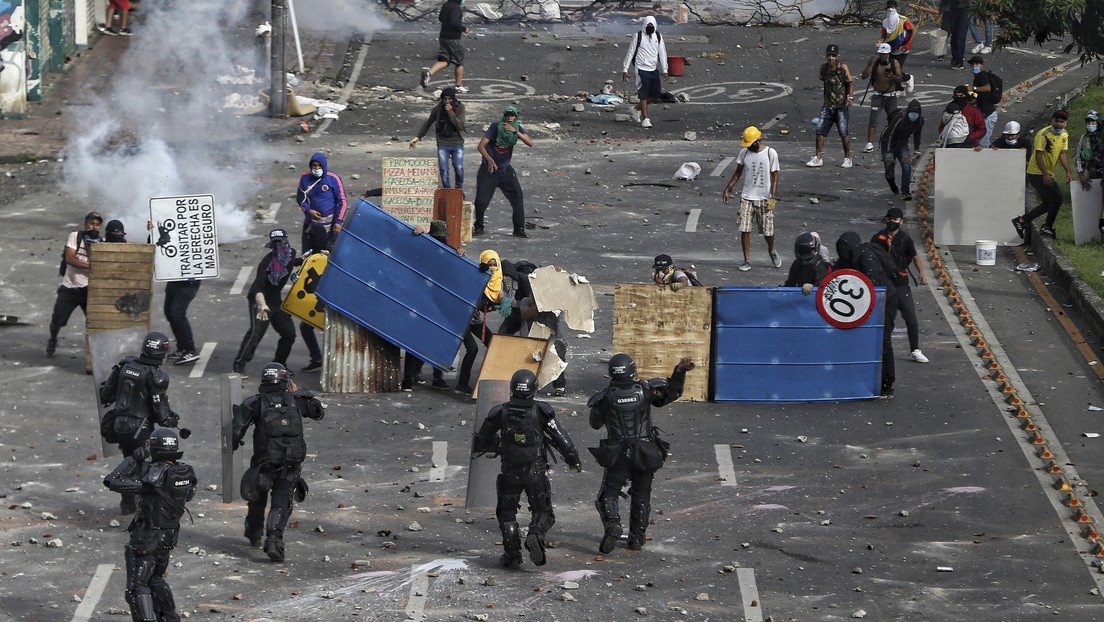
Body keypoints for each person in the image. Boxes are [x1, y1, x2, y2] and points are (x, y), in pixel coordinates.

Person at [473, 369, 582, 568]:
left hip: (509, 471)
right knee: (544, 512)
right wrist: (573, 460)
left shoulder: (500, 412)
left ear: (512, 388)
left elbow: (481, 441)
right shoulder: (541, 411)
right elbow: (561, 439)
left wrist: (497, 444)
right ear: (534, 389)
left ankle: (512, 555)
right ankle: (535, 534)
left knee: (506, 514)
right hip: (535, 471)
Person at [589, 354, 694, 552]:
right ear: (632, 370)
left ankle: (613, 524)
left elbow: (594, 424)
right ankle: (636, 538)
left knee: (608, 495)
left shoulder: (605, 397)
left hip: (618, 453)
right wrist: (679, 372)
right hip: (646, 452)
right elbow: (671, 393)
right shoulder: (646, 390)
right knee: (642, 495)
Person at [233, 362, 325, 562]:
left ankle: (254, 533)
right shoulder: (297, 401)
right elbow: (319, 412)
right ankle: (274, 540)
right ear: (286, 380)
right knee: (281, 502)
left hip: (263, 462)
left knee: (257, 499)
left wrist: (234, 443)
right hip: (290, 462)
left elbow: (236, 431)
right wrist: (298, 391)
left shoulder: (255, 403)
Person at [103, 428, 197, 622]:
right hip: (169, 535)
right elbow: (189, 494)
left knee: (137, 588)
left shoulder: (153, 476)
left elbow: (112, 481)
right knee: (155, 579)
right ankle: (170, 618)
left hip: (148, 537)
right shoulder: (185, 473)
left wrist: (133, 459)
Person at [99, 331, 184, 514]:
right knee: (148, 468)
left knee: (128, 462)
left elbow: (105, 394)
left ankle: (127, 503)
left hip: (118, 425)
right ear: (162, 352)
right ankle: (144, 508)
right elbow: (162, 414)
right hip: (140, 428)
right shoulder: (156, 376)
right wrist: (173, 419)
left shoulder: (125, 365)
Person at [834, 232, 898, 398]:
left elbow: (873, 283)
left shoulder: (866, 257)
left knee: (883, 341)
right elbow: (833, 279)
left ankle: (887, 383)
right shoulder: (847, 260)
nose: (843, 253)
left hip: (884, 302)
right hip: (863, 304)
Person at [233, 229, 298, 376]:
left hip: (276, 300)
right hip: (260, 300)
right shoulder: (266, 263)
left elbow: (294, 262)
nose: (280, 245)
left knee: (289, 333)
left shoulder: (290, 254)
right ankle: (239, 364)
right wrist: (262, 305)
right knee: (256, 333)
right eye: (276, 243)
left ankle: (280, 364)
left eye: (282, 241)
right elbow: (258, 288)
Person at [402, 220, 458, 391]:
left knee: (417, 341)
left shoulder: (424, 246)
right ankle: (433, 377)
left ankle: (409, 379)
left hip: (422, 302)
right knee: (435, 341)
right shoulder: (444, 250)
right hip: (434, 304)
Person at [872, 207, 930, 364]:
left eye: (895, 219)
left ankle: (915, 349)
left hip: (901, 284)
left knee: (911, 318)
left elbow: (915, 257)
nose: (892, 222)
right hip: (885, 284)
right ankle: (882, 349)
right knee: (887, 320)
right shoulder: (878, 238)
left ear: (901, 221)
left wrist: (921, 273)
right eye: (889, 219)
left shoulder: (905, 239)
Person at [722, 126, 781, 272]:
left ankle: (772, 250)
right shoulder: (744, 153)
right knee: (745, 229)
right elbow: (738, 173)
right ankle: (746, 260)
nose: (749, 146)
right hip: (747, 197)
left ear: (758, 141)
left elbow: (775, 176)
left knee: (768, 231)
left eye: (751, 144)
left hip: (764, 198)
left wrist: (772, 198)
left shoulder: (770, 153)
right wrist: (728, 188)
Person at [474, 105, 534, 238]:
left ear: (516, 117)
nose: (509, 118)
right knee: (481, 200)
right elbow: (481, 146)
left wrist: (515, 132)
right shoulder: (495, 127)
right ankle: (479, 226)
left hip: (505, 169)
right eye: (507, 115)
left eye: (512, 115)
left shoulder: (516, 128)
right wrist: (489, 159)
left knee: (517, 197)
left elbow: (530, 143)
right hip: (489, 170)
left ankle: (519, 228)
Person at [47, 211, 102, 357]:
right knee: (57, 321)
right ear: (85, 224)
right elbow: (70, 259)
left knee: (93, 323)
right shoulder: (75, 237)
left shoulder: (102, 243)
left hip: (88, 290)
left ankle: (92, 353)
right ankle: (52, 339)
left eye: (97, 224)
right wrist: (91, 267)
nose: (94, 227)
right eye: (91, 223)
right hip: (70, 287)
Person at [1013, 110, 1073, 241]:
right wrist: (1045, 174)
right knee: (1057, 199)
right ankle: (1048, 226)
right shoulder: (1043, 134)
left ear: (1066, 123)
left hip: (1047, 172)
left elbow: (1063, 153)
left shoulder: (1064, 135)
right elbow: (1039, 155)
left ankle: (1021, 221)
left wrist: (1068, 171)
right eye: (1056, 121)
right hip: (1037, 172)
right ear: (1052, 120)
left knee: (1048, 203)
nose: (1058, 124)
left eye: (1061, 122)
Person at [455, 249, 505, 394]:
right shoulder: (476, 275)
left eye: (494, 264)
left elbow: (499, 295)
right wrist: (461, 255)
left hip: (474, 319)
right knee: (472, 349)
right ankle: (461, 385)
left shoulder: (498, 281)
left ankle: (495, 379)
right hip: (462, 318)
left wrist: (501, 301)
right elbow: (462, 270)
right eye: (488, 264)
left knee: (492, 343)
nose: (492, 268)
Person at [807, 43, 854, 169]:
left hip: (841, 106)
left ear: (837, 56)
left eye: (833, 55)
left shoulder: (842, 68)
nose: (831, 58)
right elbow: (823, 78)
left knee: (843, 133)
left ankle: (848, 157)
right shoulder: (823, 68)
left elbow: (849, 83)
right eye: (829, 55)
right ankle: (818, 157)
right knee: (820, 132)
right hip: (828, 106)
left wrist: (850, 97)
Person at [409, 86, 466, 189]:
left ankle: (459, 189)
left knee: (459, 168)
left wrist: (451, 113)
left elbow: (460, 126)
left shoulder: (460, 108)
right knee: (444, 170)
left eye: (450, 99)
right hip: (443, 142)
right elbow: (428, 123)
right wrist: (418, 137)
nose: (447, 101)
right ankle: (447, 191)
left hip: (456, 142)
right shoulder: (437, 109)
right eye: (445, 99)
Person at [621, 16, 668, 129]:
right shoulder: (638, 36)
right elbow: (631, 52)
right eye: (648, 26)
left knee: (656, 94)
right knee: (643, 94)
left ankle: (636, 109)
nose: (649, 28)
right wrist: (625, 69)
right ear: (644, 26)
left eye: (651, 26)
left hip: (653, 69)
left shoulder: (658, 36)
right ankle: (645, 119)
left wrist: (665, 69)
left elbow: (662, 53)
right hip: (641, 69)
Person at [295, 152, 347, 251]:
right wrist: (309, 211)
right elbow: (300, 198)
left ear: (324, 165)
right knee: (308, 254)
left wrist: (338, 221)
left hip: (330, 225)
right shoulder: (305, 178)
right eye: (314, 165)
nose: (317, 168)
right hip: (311, 223)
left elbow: (342, 201)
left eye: (319, 166)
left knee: (327, 254)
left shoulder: (333, 179)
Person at [859, 43, 904, 154]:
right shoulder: (875, 64)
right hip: (878, 95)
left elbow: (900, 79)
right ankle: (870, 143)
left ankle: (893, 141)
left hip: (890, 96)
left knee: (893, 120)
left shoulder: (894, 63)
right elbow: (864, 76)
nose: (883, 56)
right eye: (881, 54)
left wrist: (892, 76)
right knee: (873, 120)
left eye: (884, 54)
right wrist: (869, 65)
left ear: (888, 54)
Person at [297, 224, 329, 373]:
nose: (309, 239)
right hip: (316, 297)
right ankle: (317, 359)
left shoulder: (330, 250)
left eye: (312, 237)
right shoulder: (312, 254)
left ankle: (325, 361)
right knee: (305, 327)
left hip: (330, 300)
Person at [420, 0, 469, 93]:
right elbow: (454, 22)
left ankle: (428, 73)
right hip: (454, 39)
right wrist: (464, 29)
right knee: (459, 62)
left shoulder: (446, 5)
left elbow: (440, 18)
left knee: (444, 59)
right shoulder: (456, 8)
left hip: (443, 37)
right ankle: (458, 86)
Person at [880, 99, 924, 200]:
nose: (914, 115)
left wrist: (917, 149)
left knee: (907, 166)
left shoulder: (919, 121)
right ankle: (891, 182)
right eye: (912, 113)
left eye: (916, 113)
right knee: (889, 170)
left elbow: (917, 134)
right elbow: (890, 135)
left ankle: (905, 191)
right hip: (888, 143)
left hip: (902, 144)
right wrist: (889, 152)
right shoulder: (899, 119)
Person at [1073, 110, 1104, 234]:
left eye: (1093, 121)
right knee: (1094, 206)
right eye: (1088, 121)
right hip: (1093, 176)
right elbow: (1079, 157)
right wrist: (1081, 174)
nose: (1090, 124)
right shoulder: (1085, 138)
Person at [878, 1, 915, 93]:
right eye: (889, 8)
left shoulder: (903, 20)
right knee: (892, 69)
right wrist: (879, 41)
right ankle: (901, 88)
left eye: (892, 7)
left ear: (895, 8)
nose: (890, 10)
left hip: (902, 49)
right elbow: (884, 35)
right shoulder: (885, 22)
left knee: (896, 70)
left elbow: (914, 30)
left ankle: (908, 79)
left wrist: (908, 43)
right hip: (891, 49)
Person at [968, 56, 1000, 148]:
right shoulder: (978, 77)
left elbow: (987, 88)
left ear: (982, 66)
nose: (974, 66)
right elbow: (981, 97)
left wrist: (973, 88)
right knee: (980, 140)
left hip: (988, 115)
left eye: (977, 64)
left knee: (983, 141)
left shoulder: (982, 76)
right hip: (985, 114)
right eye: (973, 64)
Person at [939, 0, 970, 69]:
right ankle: (955, 58)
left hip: (964, 9)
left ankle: (959, 61)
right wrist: (941, 12)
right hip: (952, 9)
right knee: (954, 35)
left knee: (960, 35)